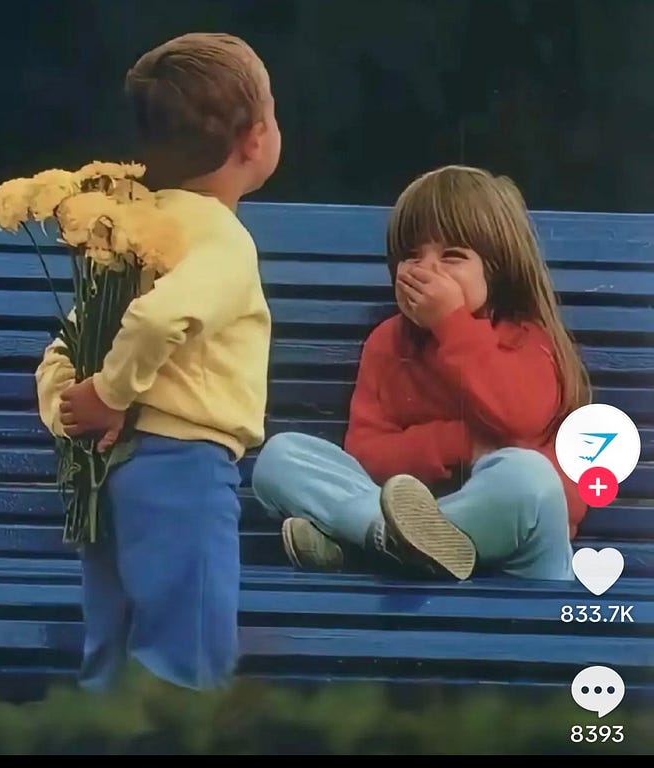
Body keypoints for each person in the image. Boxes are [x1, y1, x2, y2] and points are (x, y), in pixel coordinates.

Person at [35, 33, 281, 690]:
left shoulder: (136, 230)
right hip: (185, 473)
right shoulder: (224, 241)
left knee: (110, 661)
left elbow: (68, 344)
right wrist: (112, 395)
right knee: (183, 660)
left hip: (112, 476)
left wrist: (75, 412)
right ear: (255, 139)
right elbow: (157, 318)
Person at [252, 165, 590, 582]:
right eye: (412, 255)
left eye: (452, 257)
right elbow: (367, 455)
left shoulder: (528, 339)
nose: (426, 270)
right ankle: (398, 540)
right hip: (398, 513)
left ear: (497, 269)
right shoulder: (388, 343)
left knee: (531, 479)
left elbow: (517, 419)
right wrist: (459, 443)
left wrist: (452, 323)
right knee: (280, 458)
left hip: (516, 558)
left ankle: (371, 546)